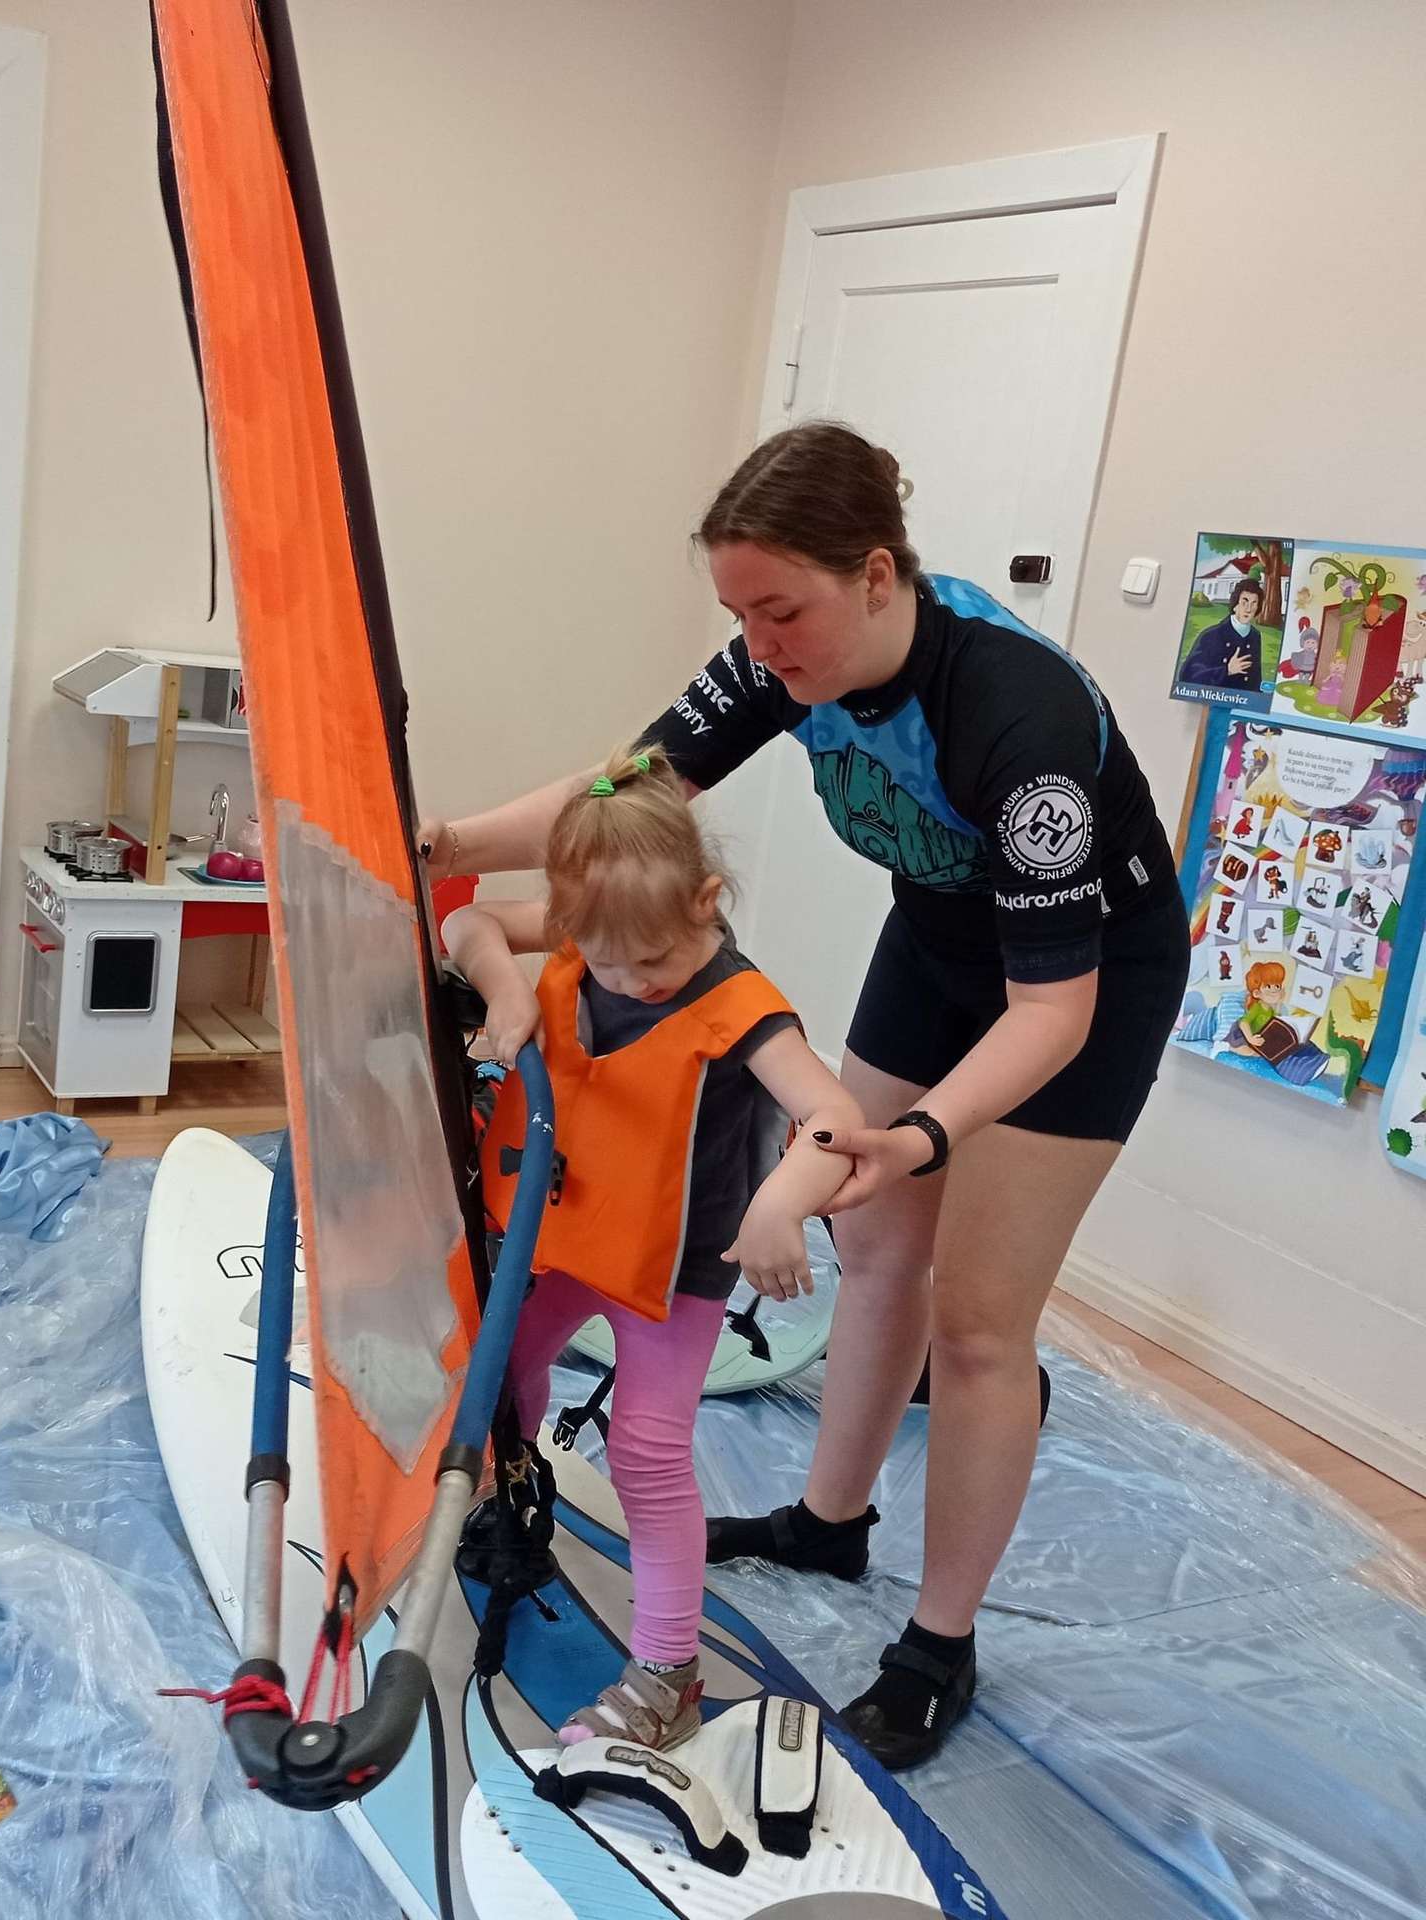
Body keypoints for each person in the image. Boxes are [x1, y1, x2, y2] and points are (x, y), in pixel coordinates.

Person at [420, 421, 1190, 1769]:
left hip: (1086, 981)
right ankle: (832, 1524)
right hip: (941, 942)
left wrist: (925, 1134)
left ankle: (939, 1641)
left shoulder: (1019, 723)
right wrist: (438, 841)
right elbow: (621, 793)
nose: (757, 643)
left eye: (779, 611)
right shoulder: (780, 656)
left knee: (981, 1320)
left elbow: (1051, 1013)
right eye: (739, 614)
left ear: (878, 575)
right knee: (875, 1247)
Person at [443, 744, 862, 1752]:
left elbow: (835, 1117)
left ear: (707, 902)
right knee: (496, 1373)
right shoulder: (591, 930)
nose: (630, 979)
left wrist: (780, 1204)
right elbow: (464, 923)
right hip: (566, 1234)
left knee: (644, 1448)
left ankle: (669, 1672)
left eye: (654, 962)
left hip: (671, 1271)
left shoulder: (742, 1004)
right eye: (606, 962)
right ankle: (513, 1496)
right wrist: (507, 991)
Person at [1178, 579, 1267, 692]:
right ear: (1235, 605)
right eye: (1244, 602)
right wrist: (1227, 670)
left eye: (1254, 603)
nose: (1248, 609)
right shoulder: (1211, 635)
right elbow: (1187, 676)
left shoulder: (1255, 636)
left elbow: (1255, 678)